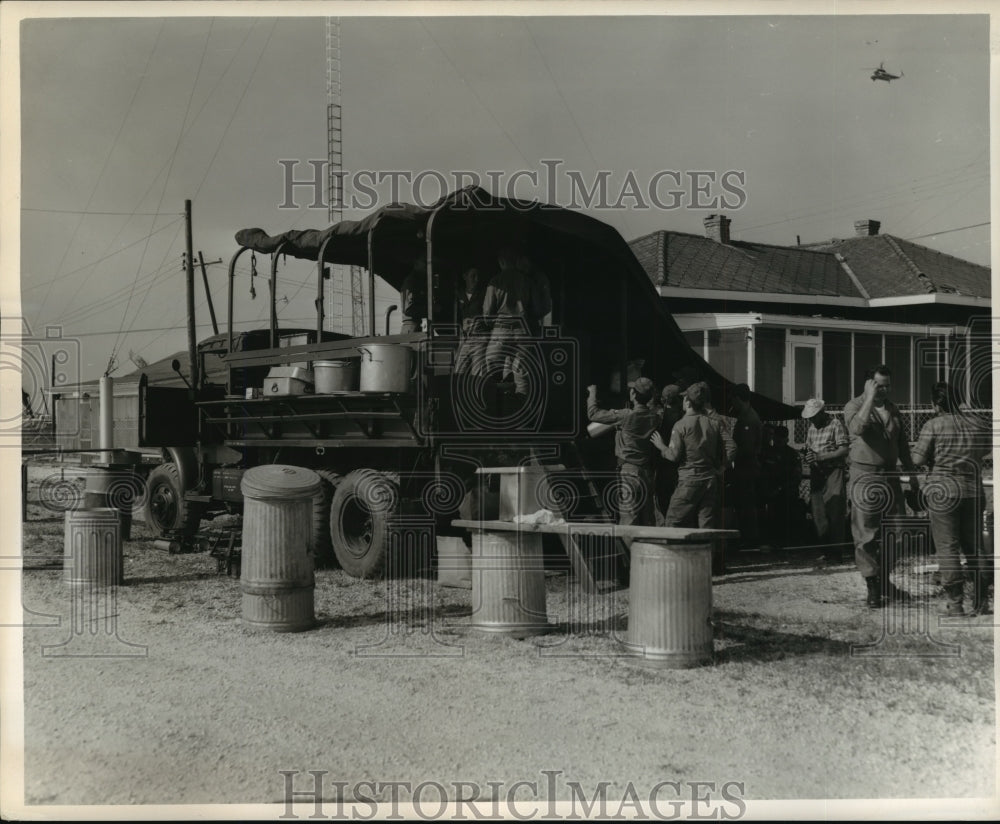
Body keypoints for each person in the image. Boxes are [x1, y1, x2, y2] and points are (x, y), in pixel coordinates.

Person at [911, 382, 992, 616]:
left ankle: (955, 604)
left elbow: (917, 460)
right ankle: (981, 601)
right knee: (975, 547)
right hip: (973, 491)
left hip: (943, 492)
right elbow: (985, 449)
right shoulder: (976, 423)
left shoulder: (933, 425)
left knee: (948, 548)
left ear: (935, 403)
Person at [843, 364, 920, 608]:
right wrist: (868, 398)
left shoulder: (893, 409)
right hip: (865, 476)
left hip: (891, 478)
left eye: (887, 385)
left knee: (898, 533)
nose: (884, 390)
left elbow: (903, 446)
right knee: (866, 534)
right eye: (879, 385)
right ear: (868, 384)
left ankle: (885, 579)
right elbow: (857, 428)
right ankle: (873, 586)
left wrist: (913, 476)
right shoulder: (854, 406)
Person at [652, 381, 736, 529]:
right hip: (710, 481)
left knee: (672, 521)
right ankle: (709, 552)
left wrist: (661, 446)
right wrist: (721, 469)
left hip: (689, 480)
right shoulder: (714, 424)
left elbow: (674, 456)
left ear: (687, 402)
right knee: (706, 523)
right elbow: (732, 447)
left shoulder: (681, 425)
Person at [587, 377, 661, 530]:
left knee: (629, 519)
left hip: (629, 472)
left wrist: (592, 393)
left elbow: (593, 414)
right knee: (648, 518)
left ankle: (631, 552)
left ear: (633, 394)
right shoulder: (655, 417)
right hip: (647, 473)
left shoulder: (625, 415)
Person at [802, 398, 849, 563]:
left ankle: (836, 552)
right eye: (810, 417)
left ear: (822, 412)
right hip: (817, 472)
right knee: (819, 512)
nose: (812, 420)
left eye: (814, 416)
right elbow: (809, 448)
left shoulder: (835, 424)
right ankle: (825, 549)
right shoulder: (811, 429)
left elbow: (844, 449)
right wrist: (809, 456)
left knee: (835, 511)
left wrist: (821, 456)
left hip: (833, 471)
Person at [483, 247, 533, 398]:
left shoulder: (495, 281)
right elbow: (537, 307)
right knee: (522, 372)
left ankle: (494, 408)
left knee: (491, 367)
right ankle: (522, 411)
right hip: (523, 331)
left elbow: (487, 313)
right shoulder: (527, 280)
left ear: (502, 262)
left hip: (501, 330)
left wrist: (493, 325)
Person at [759, 425, 804, 547]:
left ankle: (788, 543)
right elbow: (762, 473)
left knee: (787, 520)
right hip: (771, 493)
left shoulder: (792, 454)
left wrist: (781, 488)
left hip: (787, 493)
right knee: (771, 520)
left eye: (781, 438)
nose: (779, 441)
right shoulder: (767, 453)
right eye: (777, 438)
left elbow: (796, 477)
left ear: (787, 439)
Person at [729, 383, 763, 549]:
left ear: (737, 399)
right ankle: (748, 537)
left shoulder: (748, 419)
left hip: (747, 467)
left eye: (733, 400)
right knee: (744, 503)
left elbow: (747, 448)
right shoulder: (746, 416)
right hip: (745, 466)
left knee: (746, 504)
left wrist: (729, 455)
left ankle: (750, 539)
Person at [653, 384, 683, 525]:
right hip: (678, 464)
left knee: (663, 498)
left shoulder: (658, 417)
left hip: (663, 462)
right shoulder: (682, 417)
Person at [454, 266, 488, 377]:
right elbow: (454, 319)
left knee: (478, 375)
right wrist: (460, 326)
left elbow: (490, 315)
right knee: (458, 373)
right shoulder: (458, 294)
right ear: (465, 277)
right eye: (473, 276)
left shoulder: (484, 294)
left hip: (480, 338)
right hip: (463, 339)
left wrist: (480, 321)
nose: (476, 279)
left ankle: (477, 394)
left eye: (478, 276)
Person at [399, 257, 428, 333]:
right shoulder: (411, 281)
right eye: (424, 263)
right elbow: (408, 309)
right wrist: (429, 309)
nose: (426, 266)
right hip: (411, 326)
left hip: (415, 325)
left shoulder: (418, 281)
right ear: (416, 265)